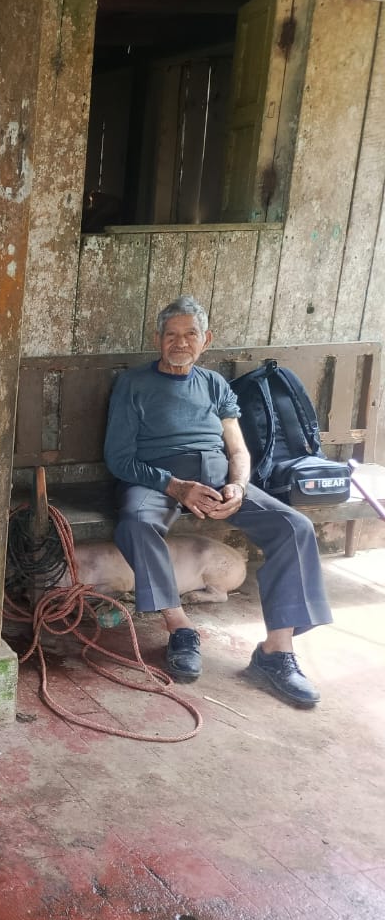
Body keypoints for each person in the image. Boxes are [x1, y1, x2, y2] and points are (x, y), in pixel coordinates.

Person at [103, 295, 330, 707]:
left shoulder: (215, 384)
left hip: (218, 480)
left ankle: (276, 652)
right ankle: (180, 628)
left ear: (205, 340)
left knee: (294, 527)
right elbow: (119, 460)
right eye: (171, 334)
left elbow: (238, 449)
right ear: (157, 339)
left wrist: (238, 486)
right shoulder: (133, 384)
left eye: (190, 334)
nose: (180, 343)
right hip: (157, 480)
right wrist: (176, 487)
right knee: (134, 522)